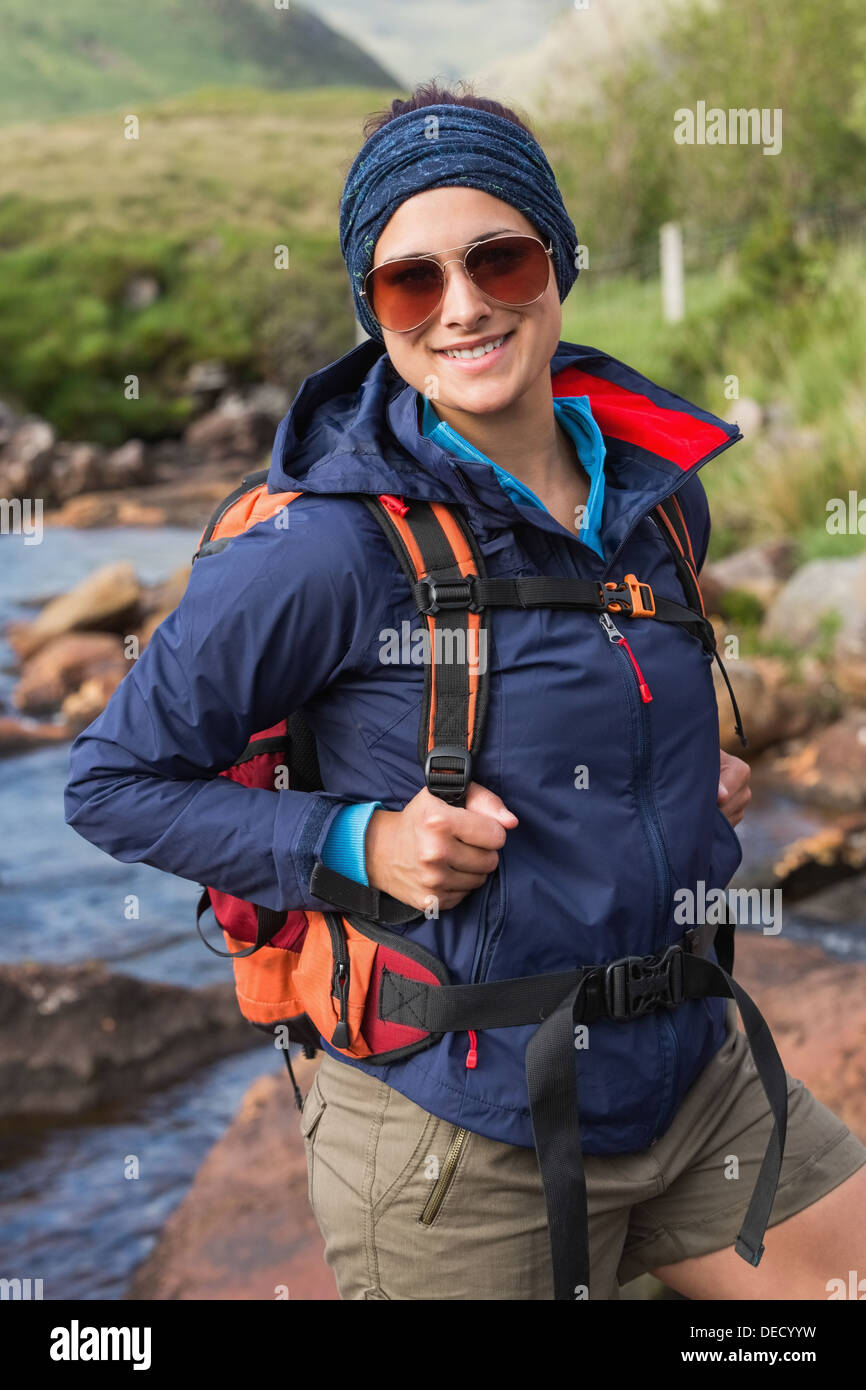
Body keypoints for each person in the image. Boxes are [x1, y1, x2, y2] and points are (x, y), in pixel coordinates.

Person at [65, 81, 866, 1301]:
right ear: (370, 308)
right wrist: (358, 838)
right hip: (462, 1133)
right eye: (410, 281)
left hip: (694, 1069)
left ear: (555, 263)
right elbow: (110, 782)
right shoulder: (324, 549)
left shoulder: (659, 494)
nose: (462, 307)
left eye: (499, 255)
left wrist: (678, 769)